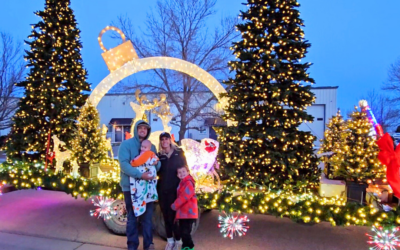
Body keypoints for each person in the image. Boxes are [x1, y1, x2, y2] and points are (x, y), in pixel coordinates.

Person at [119, 120, 160, 250]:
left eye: (145, 128)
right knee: (133, 218)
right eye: (140, 128)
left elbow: (157, 163)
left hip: (147, 188)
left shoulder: (151, 146)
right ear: (136, 129)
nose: (143, 130)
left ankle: (148, 245)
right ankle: (132, 246)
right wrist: (140, 175)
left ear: (148, 131)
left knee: (147, 218)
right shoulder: (126, 145)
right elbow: (124, 165)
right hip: (131, 188)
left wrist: (156, 164)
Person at [158, 132, 188, 250]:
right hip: (163, 190)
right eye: (162, 139)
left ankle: (178, 240)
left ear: (170, 140)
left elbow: (185, 169)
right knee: (166, 217)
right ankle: (170, 240)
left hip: (176, 191)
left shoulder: (179, 153)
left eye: (166, 139)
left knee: (176, 217)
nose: (164, 141)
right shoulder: (159, 156)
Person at [171, 165, 198, 250]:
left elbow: (185, 196)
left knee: (186, 232)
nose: (181, 174)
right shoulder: (183, 182)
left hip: (188, 212)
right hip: (184, 213)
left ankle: (190, 246)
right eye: (179, 172)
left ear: (188, 172)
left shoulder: (188, 182)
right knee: (183, 231)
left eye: (183, 171)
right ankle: (185, 246)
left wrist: (175, 205)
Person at [129, 139, 159, 217]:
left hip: (149, 171)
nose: (143, 148)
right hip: (143, 175)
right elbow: (138, 160)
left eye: (145, 147)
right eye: (142, 146)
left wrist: (133, 162)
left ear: (149, 148)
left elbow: (155, 161)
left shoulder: (149, 154)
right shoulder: (141, 154)